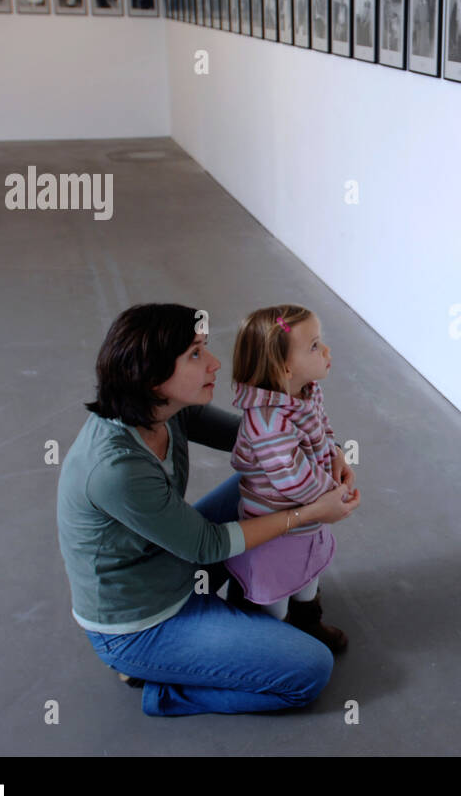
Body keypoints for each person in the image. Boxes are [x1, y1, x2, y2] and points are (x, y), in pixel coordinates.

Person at [56, 303, 361, 716]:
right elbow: (207, 546)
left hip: (170, 559)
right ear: (152, 377)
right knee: (309, 671)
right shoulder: (114, 469)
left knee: (265, 480)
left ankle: (247, 610)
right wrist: (307, 513)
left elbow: (264, 442)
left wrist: (332, 452)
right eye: (196, 354)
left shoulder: (168, 412)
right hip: (144, 623)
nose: (215, 363)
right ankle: (162, 687)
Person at [221, 306, 351, 652]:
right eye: (314, 346)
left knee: (307, 575)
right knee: (275, 593)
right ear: (284, 367)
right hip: (279, 527)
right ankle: (273, 645)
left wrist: (336, 452)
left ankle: (308, 621)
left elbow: (322, 426)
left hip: (309, 518)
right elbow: (292, 480)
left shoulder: (306, 392)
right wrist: (333, 494)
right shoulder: (268, 422)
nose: (326, 351)